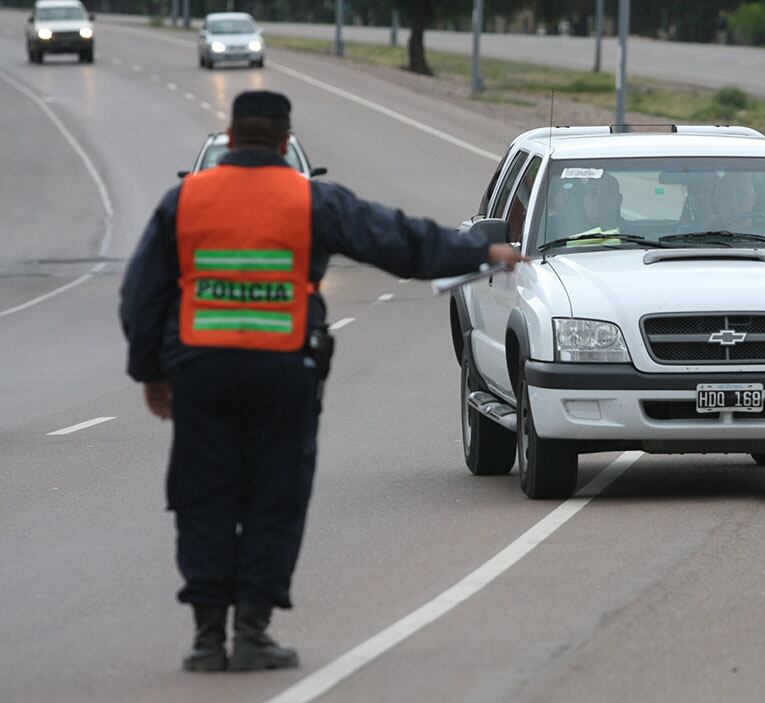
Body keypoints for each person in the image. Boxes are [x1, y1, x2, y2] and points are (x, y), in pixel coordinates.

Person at [119, 90, 524, 673]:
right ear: (285, 143)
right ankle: (253, 633)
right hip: (281, 371)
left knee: (204, 495)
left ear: (229, 139)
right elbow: (400, 241)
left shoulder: (183, 201)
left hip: (201, 373)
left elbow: (142, 298)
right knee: (274, 496)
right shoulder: (309, 200)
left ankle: (208, 639)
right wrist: (480, 248)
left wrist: (151, 374)